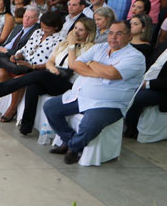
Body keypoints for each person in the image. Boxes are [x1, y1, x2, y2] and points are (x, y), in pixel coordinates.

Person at [44, 20, 146, 164]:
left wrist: (91, 63)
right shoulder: (100, 48)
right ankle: (70, 141)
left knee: (90, 123)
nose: (113, 37)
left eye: (119, 34)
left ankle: (73, 148)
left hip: (109, 104)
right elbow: (76, 65)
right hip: (81, 95)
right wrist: (100, 72)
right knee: (50, 107)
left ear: (129, 36)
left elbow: (111, 74)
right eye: (110, 33)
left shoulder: (135, 57)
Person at [0, 18, 97, 135]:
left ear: (88, 33)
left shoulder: (90, 48)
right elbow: (50, 61)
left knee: (39, 75)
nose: (76, 32)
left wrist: (72, 46)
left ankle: (2, 88)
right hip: (53, 75)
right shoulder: (64, 44)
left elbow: (73, 65)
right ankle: (26, 126)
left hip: (70, 82)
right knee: (33, 85)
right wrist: (52, 68)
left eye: (81, 30)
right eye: (75, 28)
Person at [123, 44, 167, 139]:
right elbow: (149, 64)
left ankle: (131, 128)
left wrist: (146, 84)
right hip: (145, 79)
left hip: (162, 90)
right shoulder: (163, 46)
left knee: (138, 98)